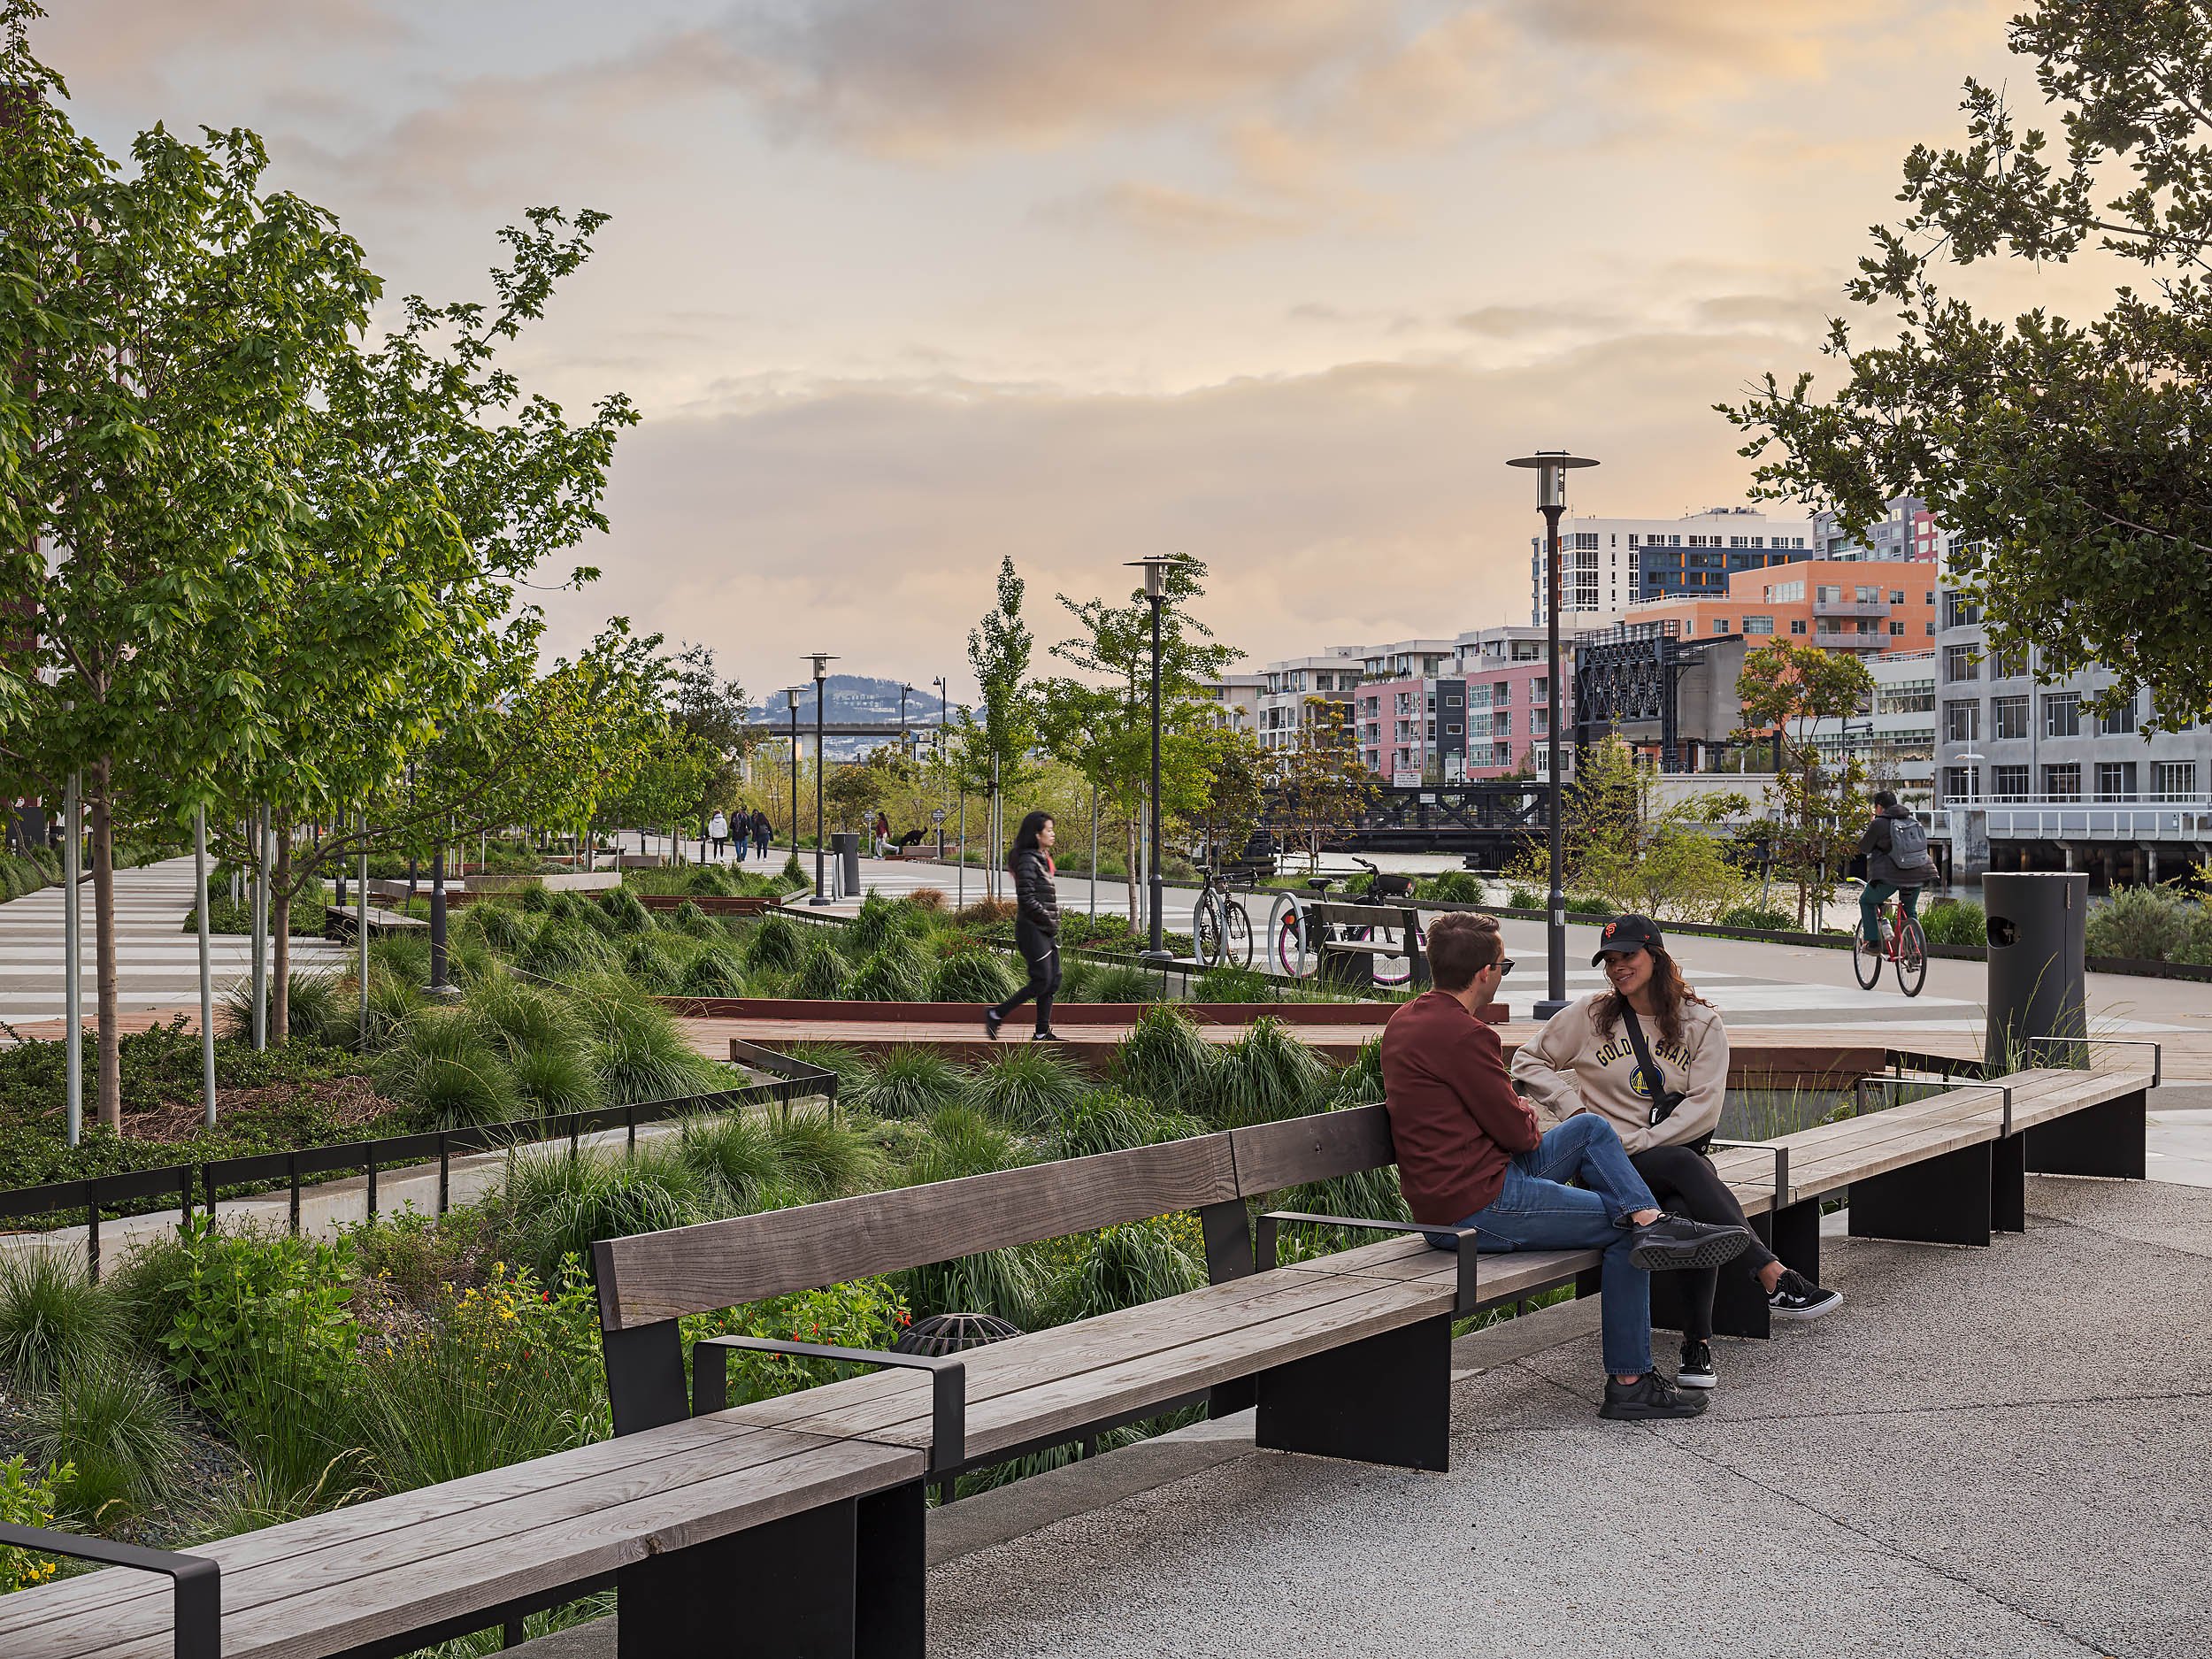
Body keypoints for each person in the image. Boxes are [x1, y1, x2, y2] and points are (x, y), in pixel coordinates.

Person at [1380, 911, 1753, 1420]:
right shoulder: (1467, 1036)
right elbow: (1518, 1132)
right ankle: (1630, 1382)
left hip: (1461, 1187)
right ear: (1485, 973)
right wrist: (1522, 1114)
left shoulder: (1405, 1020)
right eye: (1504, 966)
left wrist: (1530, 1111)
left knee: (1591, 1129)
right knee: (1626, 1232)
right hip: (1479, 1205)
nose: (1502, 973)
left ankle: (1652, 1218)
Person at [1511, 915, 1843, 1392]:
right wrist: (1576, 1111)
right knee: (1689, 1169)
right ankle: (1770, 1276)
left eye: (1628, 955)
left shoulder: (1700, 1024)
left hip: (1663, 1161)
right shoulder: (1591, 1015)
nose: (1618, 967)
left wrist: (1642, 1141)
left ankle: (1697, 1345)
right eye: (1610, 959)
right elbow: (1527, 1060)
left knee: (1686, 1203)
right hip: (1606, 1168)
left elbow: (1704, 1109)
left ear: (1656, 957)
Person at [984, 810, 1062, 1042]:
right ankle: (996, 1014)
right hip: (1032, 929)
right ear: (1037, 834)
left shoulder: (1040, 858)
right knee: (1042, 979)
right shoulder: (1028, 860)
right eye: (1049, 830)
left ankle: (1041, 1032)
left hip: (1043, 928)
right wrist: (1048, 919)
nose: (1052, 834)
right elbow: (1026, 898)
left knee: (1053, 979)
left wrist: (1051, 920)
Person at [1857, 789, 1935, 954]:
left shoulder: (1879, 823)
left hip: (1891, 877)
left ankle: (1873, 943)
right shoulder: (1912, 820)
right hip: (1920, 873)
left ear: (1879, 807)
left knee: (1866, 901)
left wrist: (1872, 826)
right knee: (1909, 910)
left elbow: (1864, 847)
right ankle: (1914, 950)